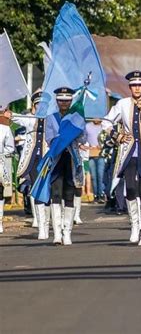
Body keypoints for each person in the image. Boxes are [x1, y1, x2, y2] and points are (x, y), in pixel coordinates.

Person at [102, 71, 141, 246]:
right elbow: (106, 121)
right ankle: (134, 225)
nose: (137, 88)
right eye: (134, 85)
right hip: (129, 153)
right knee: (130, 189)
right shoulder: (122, 104)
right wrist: (117, 135)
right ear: (130, 87)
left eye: (140, 85)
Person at [6, 91, 50, 238]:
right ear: (34, 106)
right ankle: (41, 227)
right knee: (36, 189)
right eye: (38, 104)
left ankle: (48, 223)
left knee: (48, 190)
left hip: (47, 159)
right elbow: (17, 117)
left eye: (43, 105)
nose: (40, 107)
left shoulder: (51, 120)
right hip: (32, 160)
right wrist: (8, 113)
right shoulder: (29, 119)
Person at [46, 87, 86, 245]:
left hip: (71, 160)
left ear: (71, 101)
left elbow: (82, 139)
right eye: (61, 100)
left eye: (67, 100)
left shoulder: (76, 117)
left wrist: (76, 132)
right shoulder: (51, 118)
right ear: (57, 101)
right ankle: (57, 233)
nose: (64, 103)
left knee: (69, 195)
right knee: (55, 195)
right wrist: (62, 137)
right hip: (56, 160)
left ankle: (67, 232)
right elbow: (49, 139)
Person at [0, 116, 15, 234]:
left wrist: (2, 154)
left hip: (0, 163)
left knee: (0, 191)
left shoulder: (5, 129)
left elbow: (10, 147)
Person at [86, 119, 106, 203]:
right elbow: (83, 138)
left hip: (101, 154)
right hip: (91, 154)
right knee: (93, 176)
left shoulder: (104, 126)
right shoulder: (87, 126)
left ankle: (101, 194)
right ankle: (95, 195)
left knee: (101, 175)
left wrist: (102, 145)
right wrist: (88, 145)